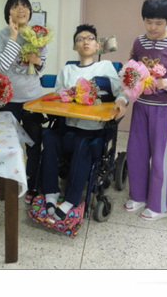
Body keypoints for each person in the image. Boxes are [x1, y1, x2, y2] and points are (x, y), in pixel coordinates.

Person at [40, 24, 128, 222]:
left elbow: (120, 92)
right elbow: (58, 95)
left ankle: (71, 200)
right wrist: (68, 95)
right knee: (49, 137)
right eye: (80, 39)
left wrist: (122, 102)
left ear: (97, 45)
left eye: (90, 38)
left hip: (93, 129)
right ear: (74, 46)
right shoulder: (67, 70)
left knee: (82, 143)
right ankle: (51, 192)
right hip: (68, 125)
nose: (85, 42)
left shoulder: (105, 67)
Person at [123, 0, 167, 220]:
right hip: (141, 106)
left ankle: (159, 205)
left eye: (158, 23)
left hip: (165, 108)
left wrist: (165, 83)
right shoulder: (139, 42)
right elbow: (131, 71)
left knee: (161, 156)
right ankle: (138, 196)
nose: (153, 27)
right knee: (136, 152)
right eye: (148, 22)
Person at [0, 0, 47, 204]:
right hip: (8, 99)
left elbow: (41, 66)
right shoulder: (1, 35)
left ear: (30, 12)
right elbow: (2, 65)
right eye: (15, 6)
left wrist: (38, 62)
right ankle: (8, 182)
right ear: (8, 12)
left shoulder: (38, 35)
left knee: (33, 143)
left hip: (32, 98)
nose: (21, 9)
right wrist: (14, 37)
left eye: (25, 6)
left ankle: (32, 183)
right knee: (9, 144)